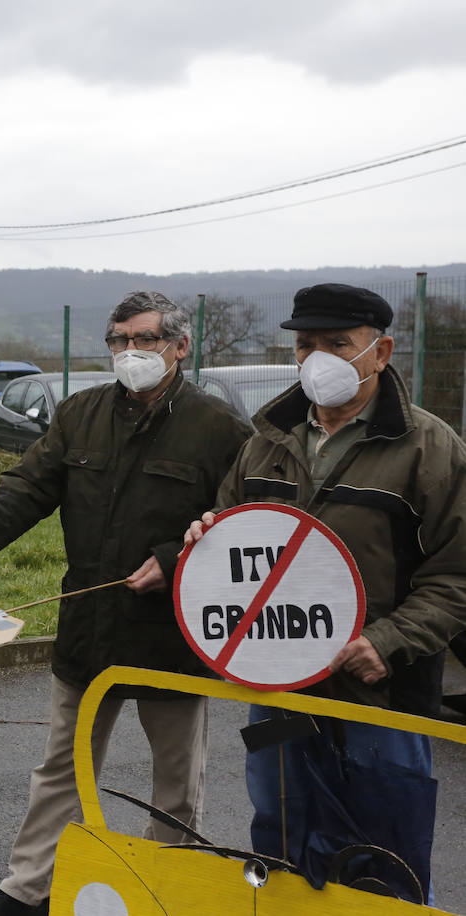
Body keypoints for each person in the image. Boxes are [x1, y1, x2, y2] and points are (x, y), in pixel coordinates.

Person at [0, 292, 250, 915]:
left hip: (173, 634)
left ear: (180, 347)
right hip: (88, 628)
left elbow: (243, 522)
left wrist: (174, 558)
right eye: (119, 340)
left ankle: (169, 888)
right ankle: (30, 888)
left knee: (176, 783)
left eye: (145, 340)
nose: (130, 353)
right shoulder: (80, 414)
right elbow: (25, 488)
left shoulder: (220, 429)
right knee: (61, 767)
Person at [184, 283, 466, 901]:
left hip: (381, 697)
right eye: (306, 345)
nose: (319, 359)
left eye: (339, 344)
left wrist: (386, 642)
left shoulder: (429, 449)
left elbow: (455, 576)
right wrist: (206, 538)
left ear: (382, 351)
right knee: (280, 830)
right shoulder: (264, 443)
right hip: (278, 690)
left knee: (383, 850)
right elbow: (230, 532)